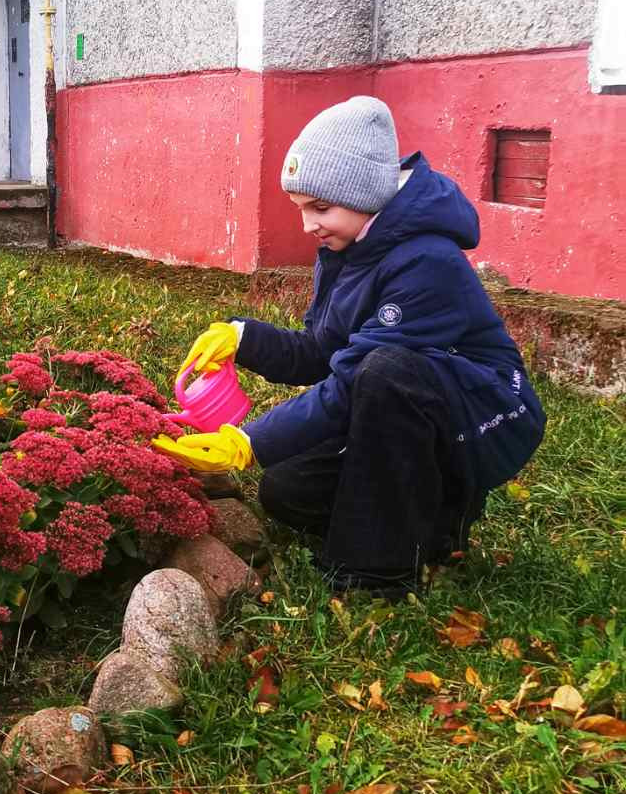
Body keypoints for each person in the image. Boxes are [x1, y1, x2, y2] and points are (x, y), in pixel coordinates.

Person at [154, 96, 545, 597]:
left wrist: (249, 442)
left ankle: (382, 571)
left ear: (364, 192)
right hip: (394, 400)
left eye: (320, 208)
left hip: (478, 413)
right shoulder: (347, 246)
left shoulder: (428, 261)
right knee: (286, 491)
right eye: (302, 209)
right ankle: (417, 516)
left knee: (385, 371)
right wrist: (244, 337)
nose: (308, 225)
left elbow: (354, 379)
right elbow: (322, 352)